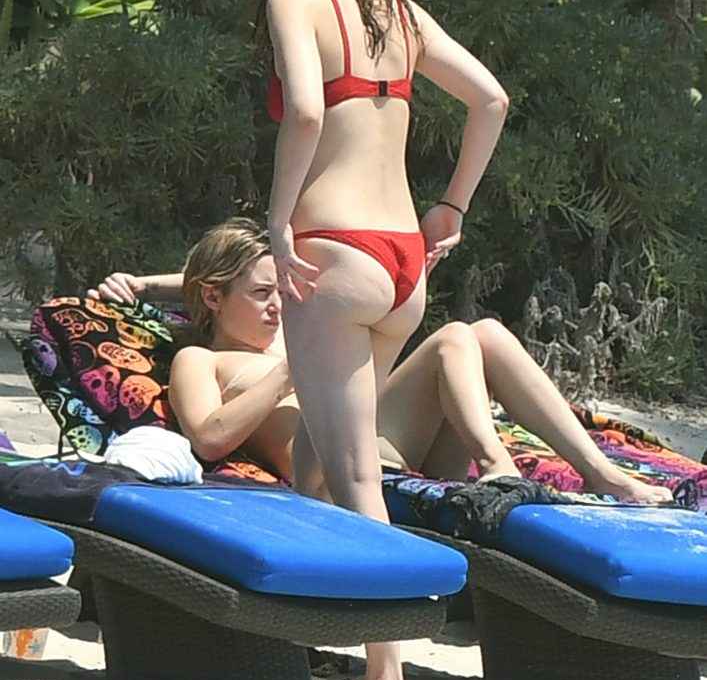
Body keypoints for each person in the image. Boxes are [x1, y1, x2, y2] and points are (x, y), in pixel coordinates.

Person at [254, 0, 516, 680]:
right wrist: (451, 207)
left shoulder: (297, 0)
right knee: (313, 460)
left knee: (355, 473)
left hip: (333, 252)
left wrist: (277, 219)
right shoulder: (399, 12)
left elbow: (304, 113)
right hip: (402, 259)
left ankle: (384, 673)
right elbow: (490, 99)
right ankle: (301, 626)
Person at [90, 220, 673, 499]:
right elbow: (210, 438)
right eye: (262, 295)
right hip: (327, 467)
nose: (277, 306)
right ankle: (497, 467)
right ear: (214, 299)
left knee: (481, 334)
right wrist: (294, 370)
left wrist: (145, 283)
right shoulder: (200, 360)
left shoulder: (286, 328)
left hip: (380, 440)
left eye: (281, 292)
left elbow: (235, 280)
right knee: (451, 340)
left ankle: (593, 472)